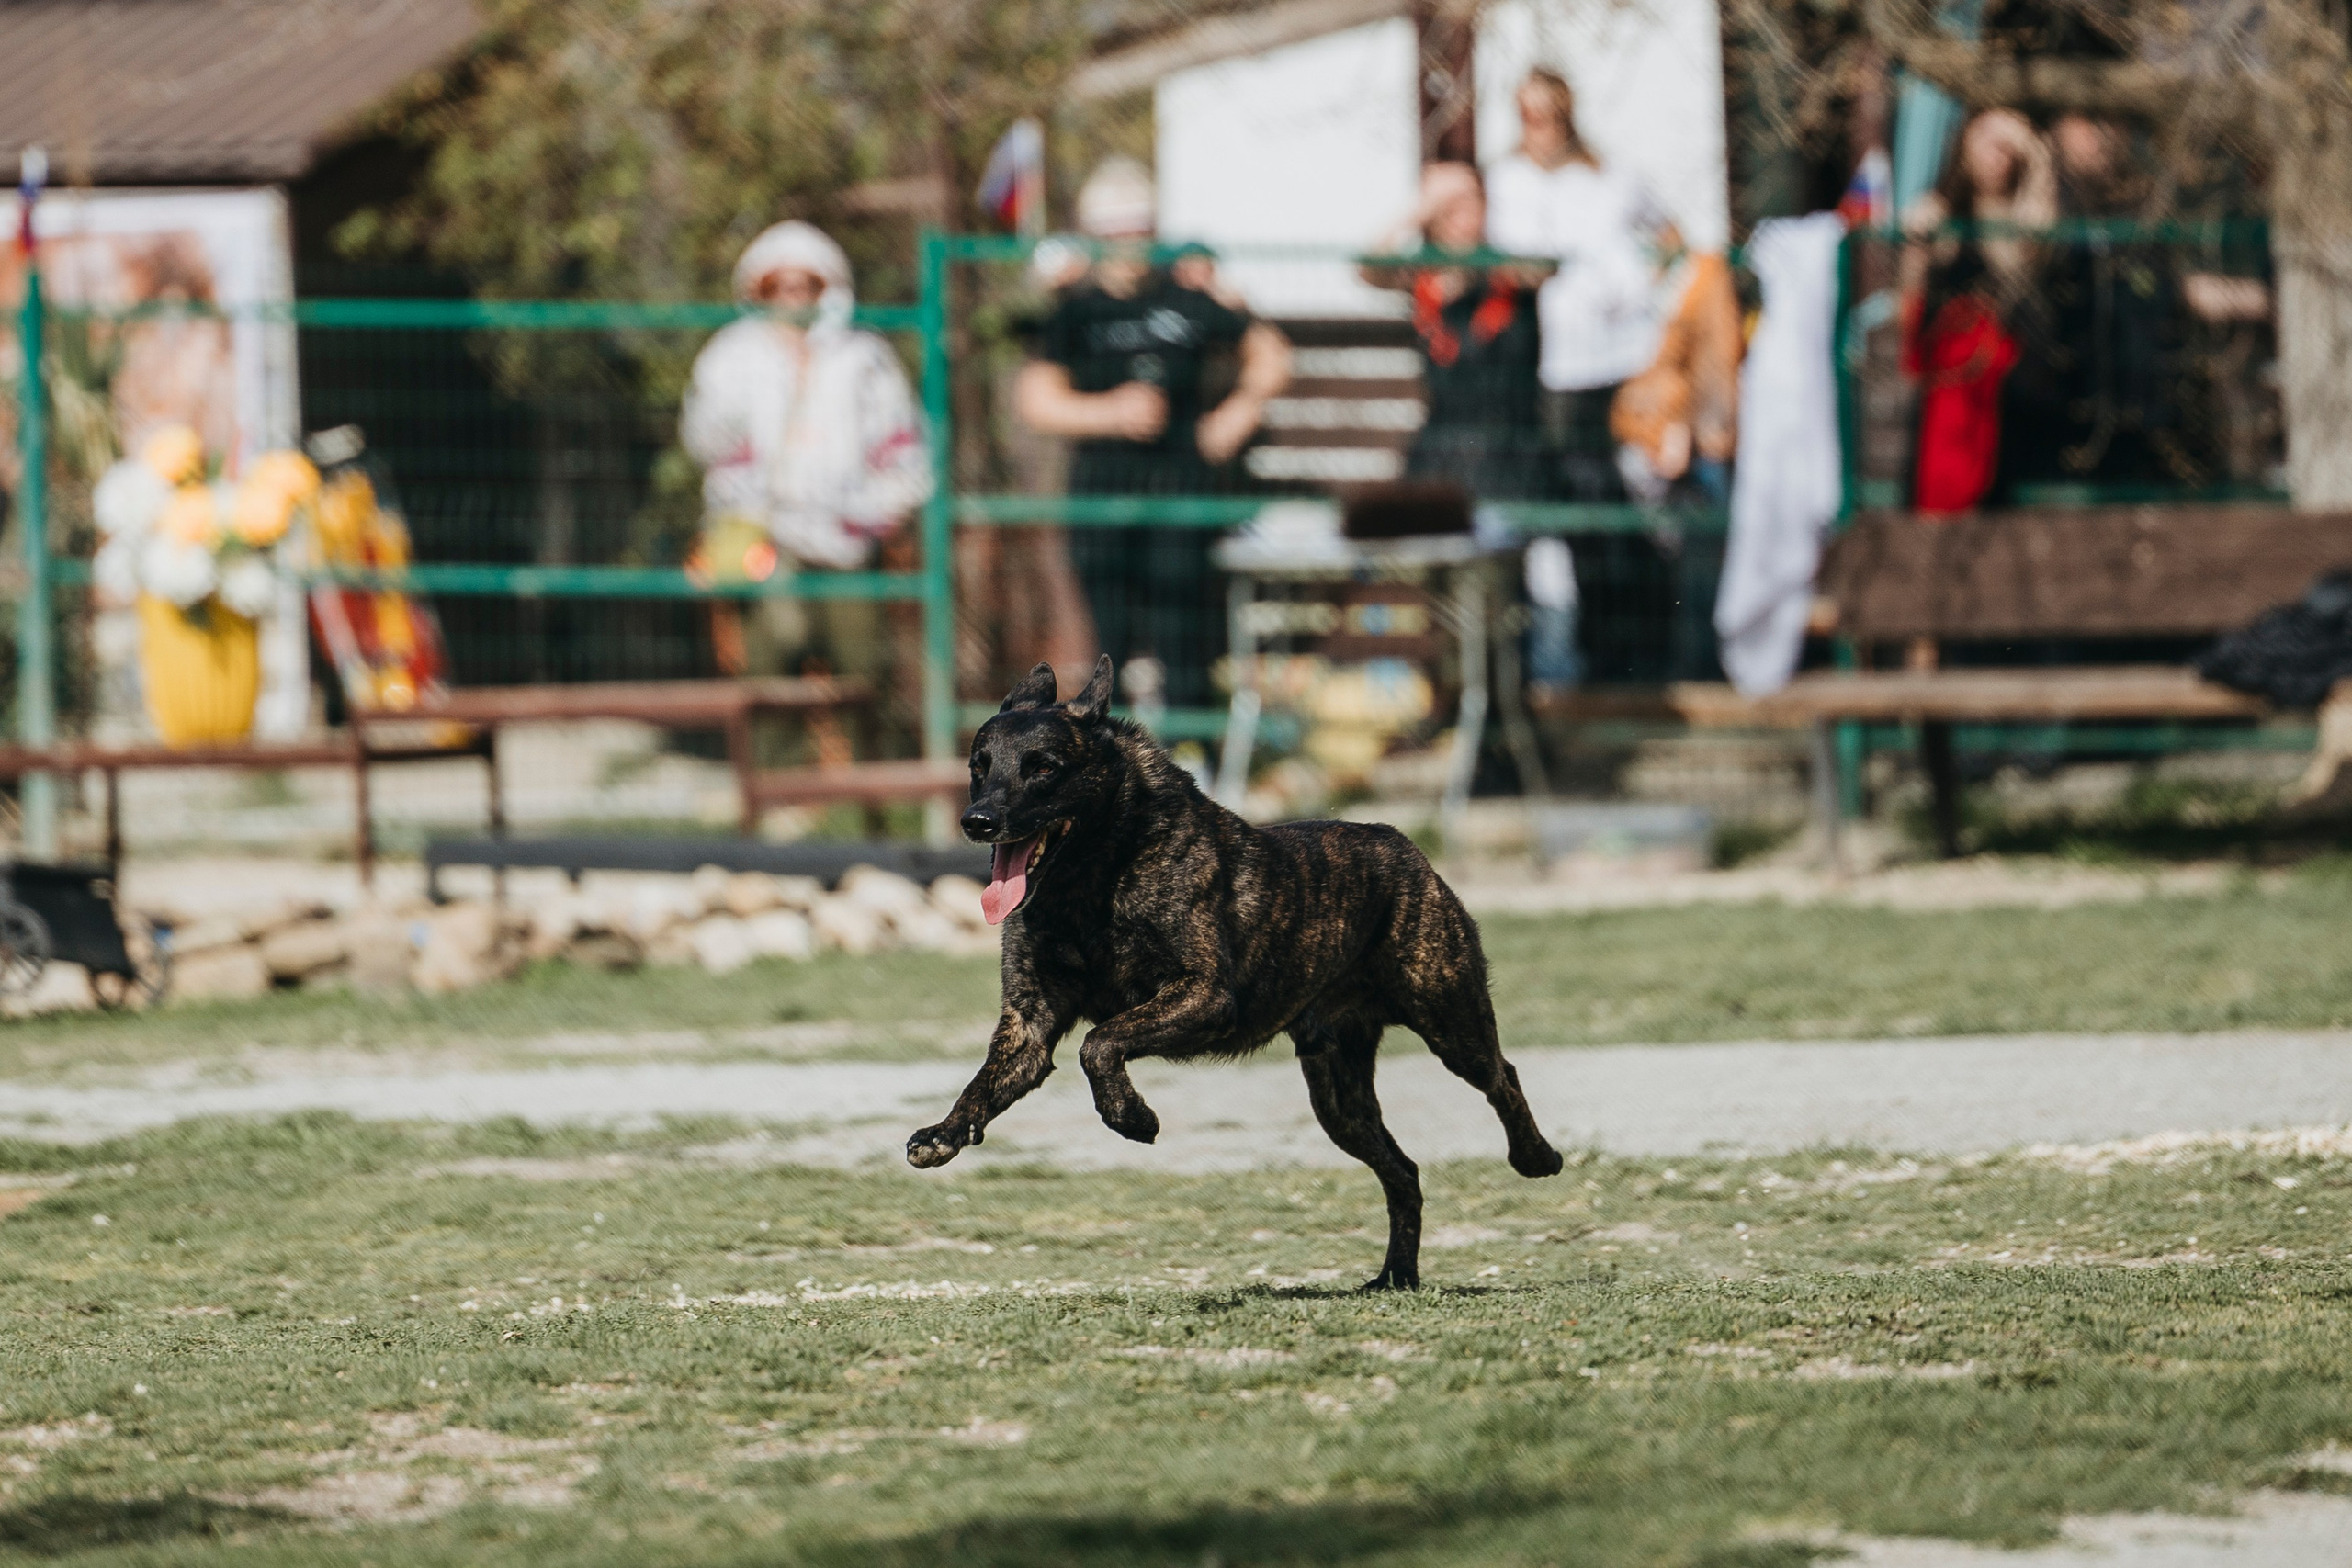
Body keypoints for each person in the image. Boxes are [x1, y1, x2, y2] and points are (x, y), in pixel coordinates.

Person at [1014, 157, 1292, 708]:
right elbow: (1037, 401)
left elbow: (1272, 355)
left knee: (1184, 639)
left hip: (1180, 487)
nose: (1129, 245)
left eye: (1139, 230)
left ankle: (1191, 748)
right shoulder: (1076, 311)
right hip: (1103, 489)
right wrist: (1110, 413)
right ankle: (1111, 752)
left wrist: (1238, 413)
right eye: (1115, 233)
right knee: (1108, 646)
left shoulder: (1186, 297)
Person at [681, 220, 932, 745]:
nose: (792, 298)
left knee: (862, 669)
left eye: (804, 285)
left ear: (827, 288)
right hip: (763, 536)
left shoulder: (863, 356)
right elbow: (704, 441)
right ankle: (776, 783)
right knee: (771, 662)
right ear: (758, 289)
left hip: (846, 536)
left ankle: (866, 783)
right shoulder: (730, 356)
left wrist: (879, 510)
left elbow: (903, 447)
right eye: (779, 286)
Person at [1485, 68, 1678, 501]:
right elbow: (1504, 260)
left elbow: (1670, 235)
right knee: (1579, 472)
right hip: (1559, 358)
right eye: (1529, 115)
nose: (1540, 127)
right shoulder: (1507, 180)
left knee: (1637, 469)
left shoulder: (1610, 176)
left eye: (1549, 114)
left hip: (1629, 348)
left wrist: (1646, 284)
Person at [1899, 109, 2054, 513]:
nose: (1997, 154)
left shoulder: (2020, 216)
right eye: (1987, 138)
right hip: (1950, 391)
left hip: (2007, 392)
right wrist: (1917, 246)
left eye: (2008, 147)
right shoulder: (1939, 211)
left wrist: (2036, 153)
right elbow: (1910, 301)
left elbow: (2031, 247)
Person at [1362, 162, 1547, 499]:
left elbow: (1541, 270)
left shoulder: (1508, 272)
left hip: (1511, 452)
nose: (1458, 214)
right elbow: (1369, 269)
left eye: (1469, 200)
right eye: (1447, 205)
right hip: (1442, 448)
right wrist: (1420, 209)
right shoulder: (1423, 278)